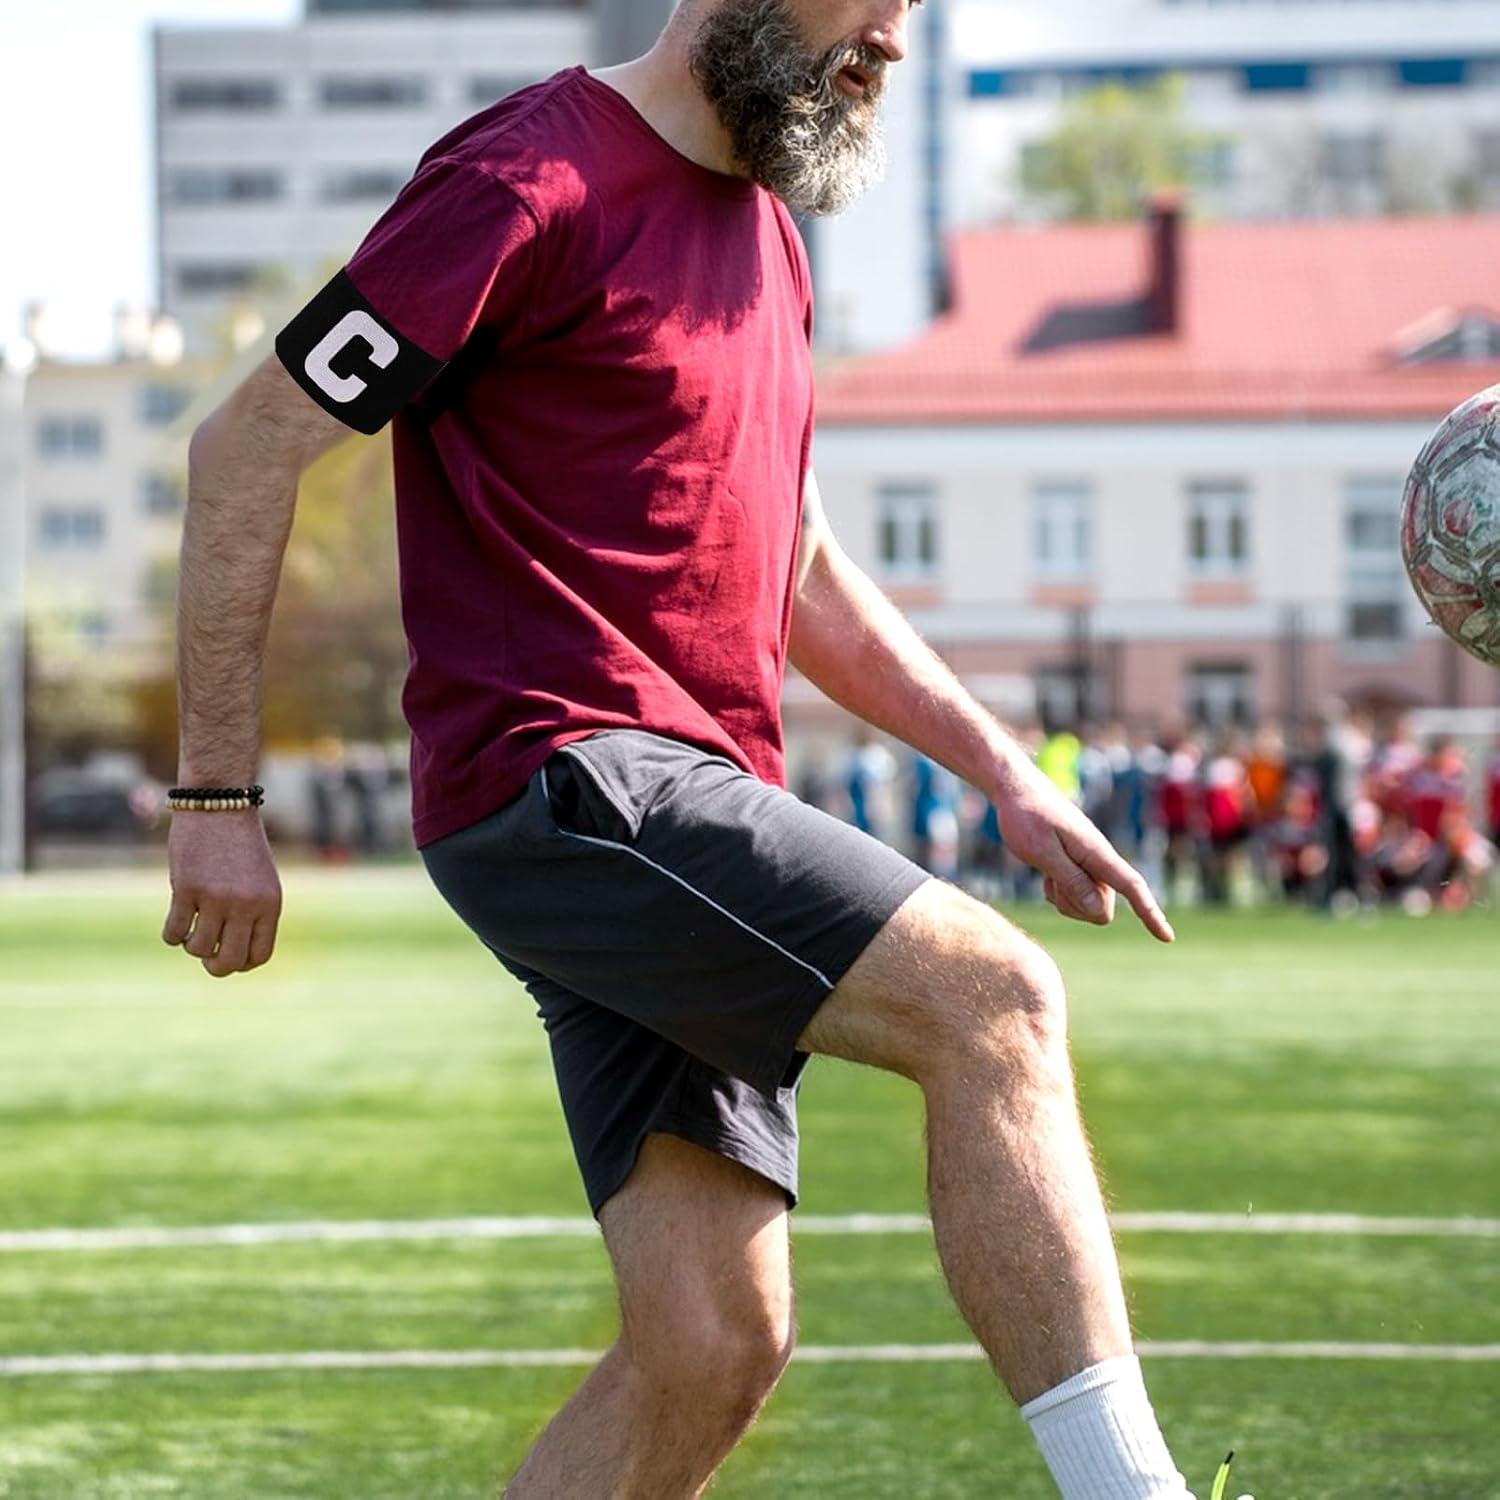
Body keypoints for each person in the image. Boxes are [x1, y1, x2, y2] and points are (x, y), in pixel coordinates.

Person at [159, 4, 1201, 1496]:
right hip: (569, 777)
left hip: (684, 798)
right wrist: (214, 795)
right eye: (874, 4)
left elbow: (802, 572)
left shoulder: (772, 238)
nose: (893, 45)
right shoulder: (524, 181)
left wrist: (1008, 774)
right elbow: (247, 443)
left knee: (712, 1339)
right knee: (998, 1002)